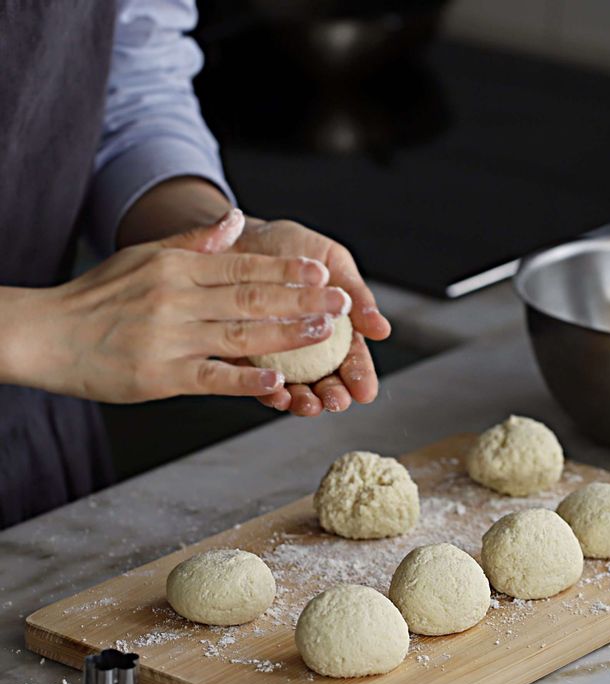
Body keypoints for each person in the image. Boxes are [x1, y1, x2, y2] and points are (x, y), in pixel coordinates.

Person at [0, 1, 391, 528]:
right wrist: (34, 331)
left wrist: (211, 242)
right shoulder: (61, 336)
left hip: (31, 441)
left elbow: (131, 98)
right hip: (64, 355)